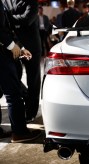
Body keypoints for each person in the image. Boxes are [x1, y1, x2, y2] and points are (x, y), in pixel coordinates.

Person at [0, 0, 41, 142]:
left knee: (32, 81)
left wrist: (19, 47)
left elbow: (25, 19)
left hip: (19, 46)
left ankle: (29, 114)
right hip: (4, 50)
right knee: (13, 93)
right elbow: (2, 28)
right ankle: (20, 132)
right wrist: (12, 45)